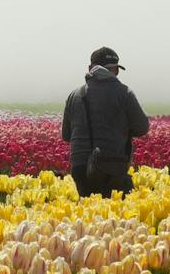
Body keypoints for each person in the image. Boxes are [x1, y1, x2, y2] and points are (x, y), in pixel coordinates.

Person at [62, 46, 150, 198]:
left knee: (87, 209)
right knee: (116, 209)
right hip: (112, 166)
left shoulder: (74, 95)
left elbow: (66, 135)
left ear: (90, 68)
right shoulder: (124, 93)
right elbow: (142, 127)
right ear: (115, 70)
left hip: (80, 168)